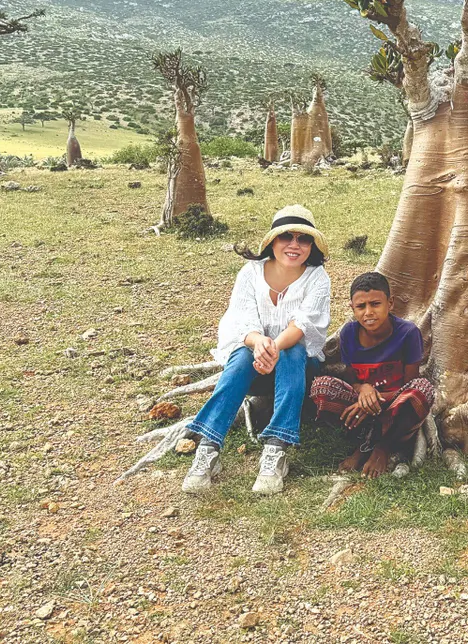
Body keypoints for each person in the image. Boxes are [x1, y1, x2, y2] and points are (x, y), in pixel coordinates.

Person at [182, 204, 331, 495]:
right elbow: (242, 321)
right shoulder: (250, 273)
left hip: (299, 370)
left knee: (294, 350)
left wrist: (272, 346)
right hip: (253, 368)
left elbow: (302, 326)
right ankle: (208, 448)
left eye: (303, 239)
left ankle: (276, 449)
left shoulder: (317, 277)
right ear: (272, 242)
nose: (294, 245)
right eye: (286, 237)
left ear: (311, 246)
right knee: (240, 356)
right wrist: (258, 342)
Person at [310, 271, 434, 478]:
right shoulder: (348, 333)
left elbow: (410, 385)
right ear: (352, 308)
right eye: (361, 307)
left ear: (390, 303)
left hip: (396, 406)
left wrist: (370, 401)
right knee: (321, 387)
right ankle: (366, 436)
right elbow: (353, 381)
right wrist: (364, 390)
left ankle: (381, 447)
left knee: (422, 390)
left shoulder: (408, 333)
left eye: (375, 304)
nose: (368, 312)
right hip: (362, 407)